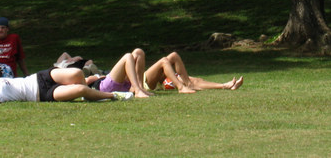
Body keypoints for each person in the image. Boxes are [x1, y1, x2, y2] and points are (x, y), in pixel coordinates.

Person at [62, 48, 242, 95]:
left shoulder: (88, 70)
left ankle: (225, 86)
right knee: (165, 60)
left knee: (177, 62)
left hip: (132, 81)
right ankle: (181, 86)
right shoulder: (88, 76)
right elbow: (85, 85)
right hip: (135, 81)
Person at [0, 67, 132, 104]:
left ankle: (91, 90)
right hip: (42, 93)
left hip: (39, 77)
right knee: (81, 89)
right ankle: (113, 95)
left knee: (77, 73)